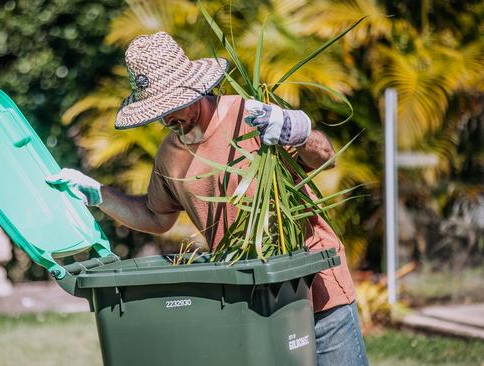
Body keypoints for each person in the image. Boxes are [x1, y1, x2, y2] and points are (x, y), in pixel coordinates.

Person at [47, 31, 369, 366]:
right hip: (247, 300)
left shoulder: (251, 116)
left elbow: (325, 158)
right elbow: (156, 217)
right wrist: (100, 195)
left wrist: (297, 130)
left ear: (195, 88)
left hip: (315, 287)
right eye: (159, 111)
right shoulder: (170, 154)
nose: (167, 119)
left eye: (172, 106)